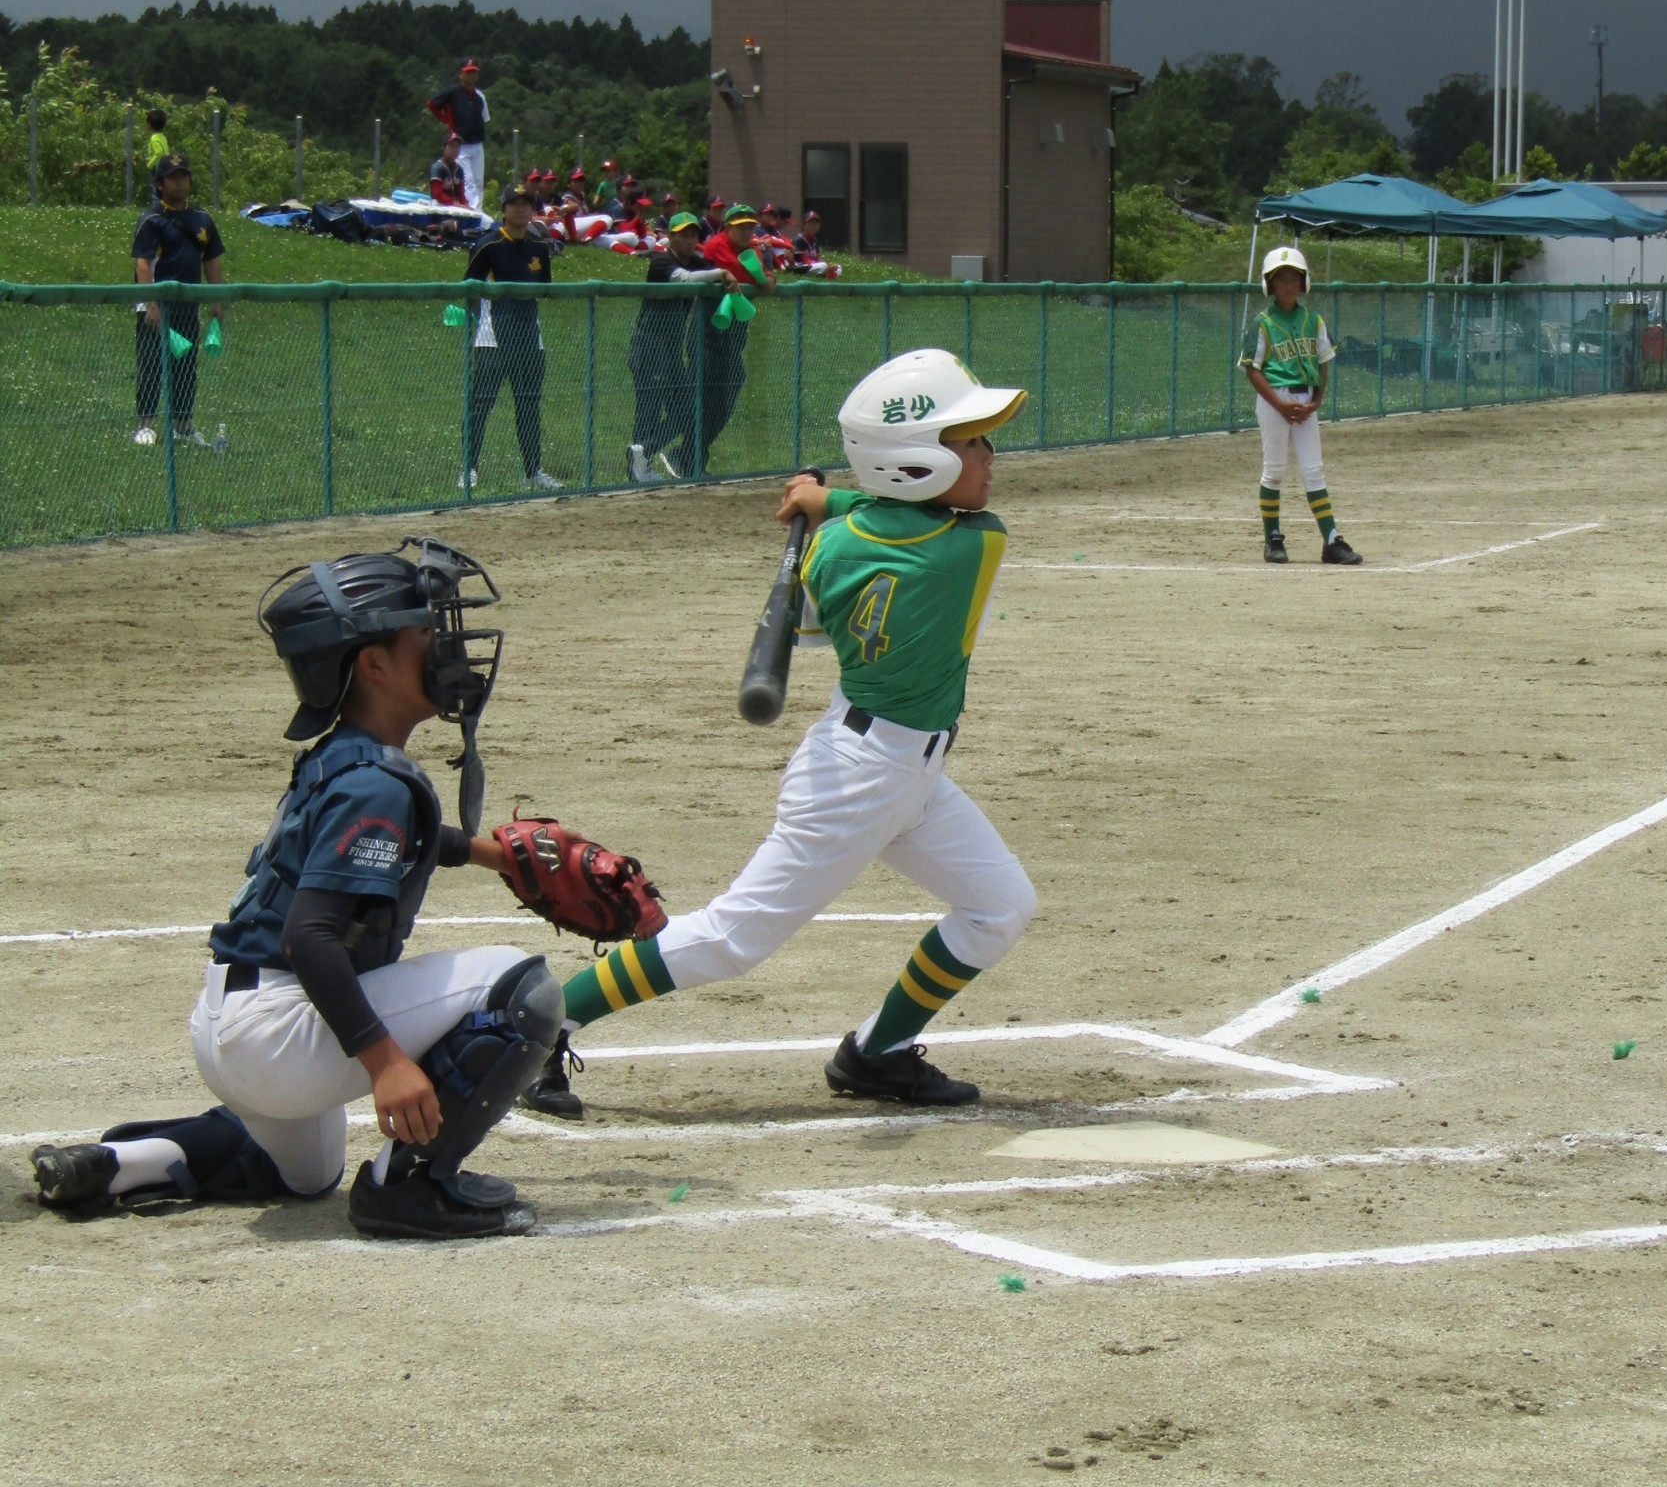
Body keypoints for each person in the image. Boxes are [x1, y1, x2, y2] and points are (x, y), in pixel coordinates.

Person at [28, 538, 562, 1239]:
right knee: (519, 985)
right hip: (282, 1029)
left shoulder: (345, 756)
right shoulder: (376, 781)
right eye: (426, 633)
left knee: (304, 1173)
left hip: (233, 1024)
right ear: (373, 664)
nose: (445, 647)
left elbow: (373, 846)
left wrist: (488, 852)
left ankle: (121, 1162)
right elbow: (308, 937)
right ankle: (407, 1190)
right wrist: (388, 1063)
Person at [546, 350, 1035, 1107]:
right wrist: (825, 497)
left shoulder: (831, 549)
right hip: (861, 780)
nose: (988, 456)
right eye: (969, 442)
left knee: (999, 904)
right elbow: (910, 516)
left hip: (897, 766)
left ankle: (878, 1053)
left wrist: (820, 503)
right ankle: (533, 1027)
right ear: (916, 463)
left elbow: (872, 515)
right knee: (734, 936)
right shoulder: (974, 544)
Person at [1240, 245, 1364, 566]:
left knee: (1313, 470)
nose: (1288, 284)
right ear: (1269, 284)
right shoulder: (1262, 322)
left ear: (1304, 281)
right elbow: (1252, 368)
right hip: (1274, 398)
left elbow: (1324, 361)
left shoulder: (1314, 320)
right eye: (1280, 278)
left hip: (1306, 401)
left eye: (1294, 277)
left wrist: (1317, 400)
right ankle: (1273, 539)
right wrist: (1280, 405)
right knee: (1275, 470)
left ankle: (1332, 540)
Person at [461, 183, 561, 492]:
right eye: (514, 203)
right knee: (481, 405)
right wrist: (479, 324)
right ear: (503, 211)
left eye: (526, 203)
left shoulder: (539, 248)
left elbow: (544, 288)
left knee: (529, 405)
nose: (520, 209)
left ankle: (533, 471)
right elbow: (469, 288)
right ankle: (469, 469)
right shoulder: (488, 245)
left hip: (531, 337)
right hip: (493, 337)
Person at [626, 212, 733, 482]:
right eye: (683, 235)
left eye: (693, 235)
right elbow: (684, 278)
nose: (688, 240)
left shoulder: (697, 261)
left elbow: (712, 270)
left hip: (672, 346)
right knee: (650, 407)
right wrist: (720, 273)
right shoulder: (661, 260)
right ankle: (639, 469)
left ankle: (643, 452)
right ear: (671, 236)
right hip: (649, 343)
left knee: (686, 408)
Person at [131, 153, 226, 450]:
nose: (180, 181)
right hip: (156, 308)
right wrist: (152, 302)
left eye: (183, 175)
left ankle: (183, 427)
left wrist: (217, 300)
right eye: (173, 177)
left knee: (185, 368)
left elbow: (211, 260)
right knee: (151, 365)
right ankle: (145, 426)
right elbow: (143, 264)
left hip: (188, 307)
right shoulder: (152, 219)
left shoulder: (202, 219)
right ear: (159, 184)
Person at [690, 203, 776, 454]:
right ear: (727, 228)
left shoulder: (754, 251)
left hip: (736, 329)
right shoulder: (716, 245)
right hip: (708, 327)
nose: (746, 232)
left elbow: (765, 277)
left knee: (730, 387)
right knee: (702, 392)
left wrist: (770, 280)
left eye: (750, 227)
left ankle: (694, 452)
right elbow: (714, 271)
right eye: (740, 227)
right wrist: (742, 277)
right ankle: (687, 452)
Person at [425, 59, 489, 209]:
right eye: (468, 72)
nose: (471, 76)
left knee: (478, 180)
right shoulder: (453, 92)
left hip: (477, 142)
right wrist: (445, 120)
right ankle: (470, 209)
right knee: (468, 179)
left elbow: (484, 118)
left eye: (474, 72)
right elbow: (432, 104)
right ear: (461, 74)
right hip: (461, 144)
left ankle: (477, 210)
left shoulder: (479, 97)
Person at [428, 133, 466, 207]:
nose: (455, 150)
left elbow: (461, 195)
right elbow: (438, 195)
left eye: (457, 146)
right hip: (438, 205)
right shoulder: (438, 167)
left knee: (484, 218)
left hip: (453, 206)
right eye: (451, 146)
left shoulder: (459, 169)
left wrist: (466, 205)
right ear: (444, 149)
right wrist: (457, 205)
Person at [143, 108, 172, 172]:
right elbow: (164, 153)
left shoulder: (154, 138)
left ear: (149, 125)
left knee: (155, 182)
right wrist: (150, 159)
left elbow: (159, 153)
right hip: (166, 166)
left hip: (159, 168)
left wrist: (149, 165)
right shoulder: (162, 136)